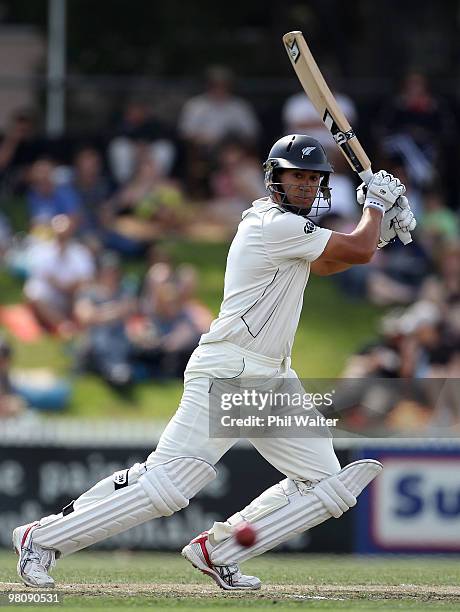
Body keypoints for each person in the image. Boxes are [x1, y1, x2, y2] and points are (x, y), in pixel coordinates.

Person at [12, 134, 416, 590]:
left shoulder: (295, 234)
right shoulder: (271, 224)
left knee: (326, 486)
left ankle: (219, 550)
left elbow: (331, 262)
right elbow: (355, 250)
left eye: (312, 179)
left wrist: (379, 229)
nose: (304, 186)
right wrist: (378, 209)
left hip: (273, 378)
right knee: (170, 484)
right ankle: (41, 538)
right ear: (274, 180)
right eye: (295, 177)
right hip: (230, 370)